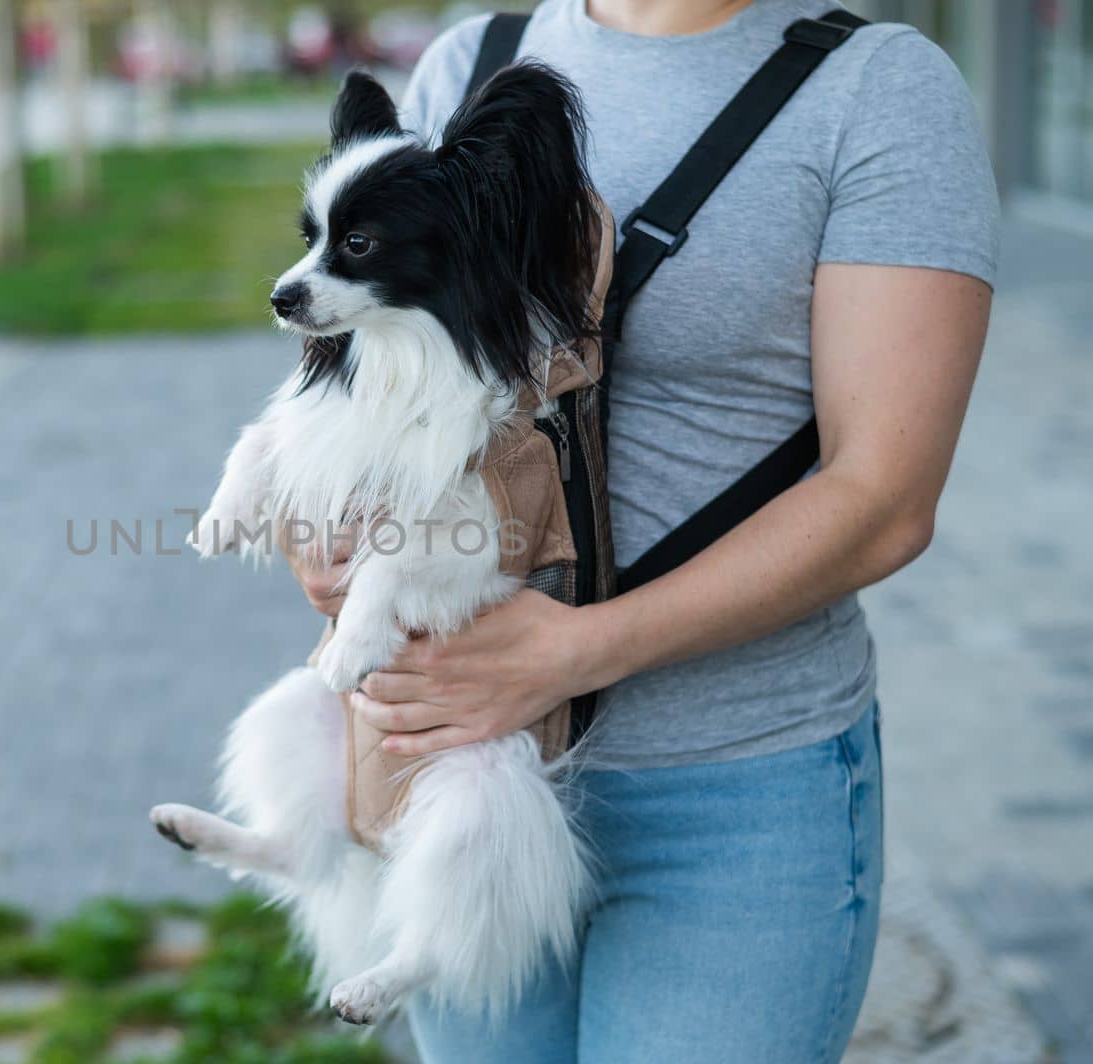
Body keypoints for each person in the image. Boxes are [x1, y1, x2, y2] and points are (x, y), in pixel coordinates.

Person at [284, 0, 999, 1059]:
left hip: (734, 787)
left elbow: (883, 496)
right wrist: (324, 545)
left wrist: (570, 652)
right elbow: (362, 379)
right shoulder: (471, 62)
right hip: (464, 771)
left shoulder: (878, 90)